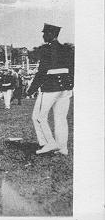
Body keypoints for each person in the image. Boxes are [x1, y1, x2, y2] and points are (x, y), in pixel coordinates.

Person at [26, 23, 74, 155]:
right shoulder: (67, 49)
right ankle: (62, 148)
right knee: (61, 118)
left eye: (45, 33)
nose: (43, 36)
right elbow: (73, 68)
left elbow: (42, 72)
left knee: (39, 117)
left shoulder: (46, 49)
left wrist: (31, 90)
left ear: (51, 34)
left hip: (51, 87)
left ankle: (49, 143)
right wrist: (70, 84)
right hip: (66, 87)